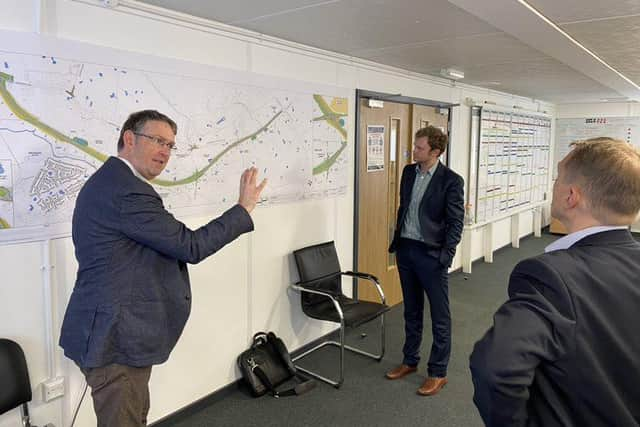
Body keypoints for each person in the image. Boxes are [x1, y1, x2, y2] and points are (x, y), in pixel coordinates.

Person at [59, 110, 267, 427]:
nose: (165, 152)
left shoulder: (113, 182)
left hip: (115, 333)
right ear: (129, 139)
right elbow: (191, 246)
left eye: (170, 145)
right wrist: (242, 209)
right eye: (157, 140)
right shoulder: (126, 191)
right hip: (114, 340)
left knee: (135, 415)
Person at [470, 137, 640, 426]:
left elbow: (496, 368)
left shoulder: (549, 276)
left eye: (557, 178)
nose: (553, 185)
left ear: (571, 196)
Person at [386, 126, 464, 396]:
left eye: (419, 148)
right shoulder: (409, 172)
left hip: (432, 255)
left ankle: (438, 372)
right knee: (411, 310)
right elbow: (403, 207)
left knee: (440, 317)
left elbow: (456, 222)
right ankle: (410, 361)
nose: (414, 151)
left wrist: (446, 256)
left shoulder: (451, 181)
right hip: (406, 250)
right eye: (415, 146)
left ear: (435, 151)